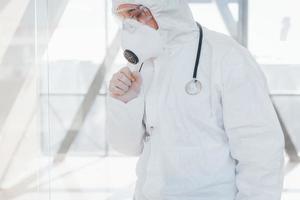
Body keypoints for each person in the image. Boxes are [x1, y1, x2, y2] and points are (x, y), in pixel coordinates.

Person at [105, 0, 285, 199]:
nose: (132, 25)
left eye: (137, 14)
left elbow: (260, 151)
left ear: (164, 6)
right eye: (126, 17)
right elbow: (128, 147)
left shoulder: (227, 57)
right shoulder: (141, 66)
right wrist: (125, 101)